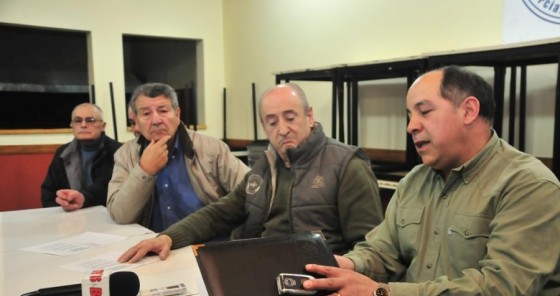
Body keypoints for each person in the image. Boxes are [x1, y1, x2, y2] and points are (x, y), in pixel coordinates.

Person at [302, 66, 560, 296]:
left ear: (468, 111)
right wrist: (340, 266)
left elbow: (502, 293)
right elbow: (383, 252)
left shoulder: (528, 185)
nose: (411, 126)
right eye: (410, 115)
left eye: (424, 112)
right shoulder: (415, 181)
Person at [118, 82, 384, 263]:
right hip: (262, 272)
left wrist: (336, 271)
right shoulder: (265, 167)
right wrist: (167, 237)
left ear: (309, 116)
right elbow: (222, 212)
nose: (282, 129)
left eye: (290, 117)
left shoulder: (347, 164)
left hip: (322, 282)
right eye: (272, 122)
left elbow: (372, 249)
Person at [107, 82, 250, 232]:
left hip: (209, 242)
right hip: (153, 245)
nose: (156, 120)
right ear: (136, 121)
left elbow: (252, 191)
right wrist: (144, 171)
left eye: (163, 111)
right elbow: (120, 215)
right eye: (146, 113)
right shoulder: (125, 155)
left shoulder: (212, 148)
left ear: (177, 113)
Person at [41, 103, 122, 212]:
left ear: (103, 126)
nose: (83, 125)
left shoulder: (119, 152)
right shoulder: (63, 153)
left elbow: (109, 189)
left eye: (90, 120)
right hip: (70, 217)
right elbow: (49, 192)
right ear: (72, 125)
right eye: (78, 121)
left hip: (108, 215)